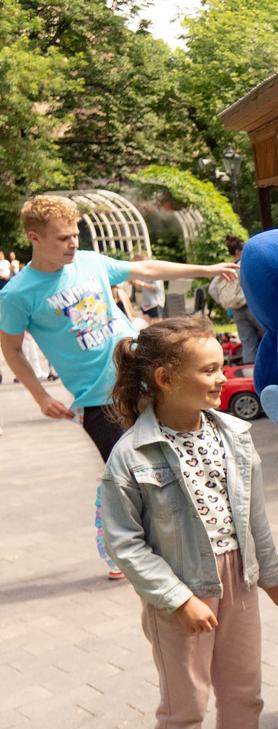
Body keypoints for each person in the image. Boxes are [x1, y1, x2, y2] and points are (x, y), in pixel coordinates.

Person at [101, 317, 278, 729]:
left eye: (221, 367)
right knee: (185, 704)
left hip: (238, 578)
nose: (222, 378)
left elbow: (254, 515)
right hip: (181, 593)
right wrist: (177, 599)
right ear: (166, 378)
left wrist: (270, 576)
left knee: (243, 687)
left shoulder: (233, 433)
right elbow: (124, 543)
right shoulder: (131, 454)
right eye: (209, 370)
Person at [0, 195, 238, 579]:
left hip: (145, 374)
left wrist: (206, 269)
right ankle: (118, 540)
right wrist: (40, 396)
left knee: (174, 456)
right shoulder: (17, 294)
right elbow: (11, 349)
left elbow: (144, 267)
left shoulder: (90, 262)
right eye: (63, 238)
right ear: (34, 237)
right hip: (99, 398)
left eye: (75, 234)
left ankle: (191, 535)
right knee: (125, 475)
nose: (73, 243)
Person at [209, 236, 263, 365]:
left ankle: (249, 372)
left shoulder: (227, 268)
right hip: (252, 307)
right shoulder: (246, 265)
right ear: (239, 251)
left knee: (248, 343)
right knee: (267, 338)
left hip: (237, 311)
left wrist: (226, 302)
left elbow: (212, 289)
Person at [128, 252, 166, 321]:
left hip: (155, 304)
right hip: (145, 305)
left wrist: (142, 283)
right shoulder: (142, 273)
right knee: (147, 326)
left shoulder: (155, 271)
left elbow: (156, 288)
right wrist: (134, 283)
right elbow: (139, 289)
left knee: (157, 327)